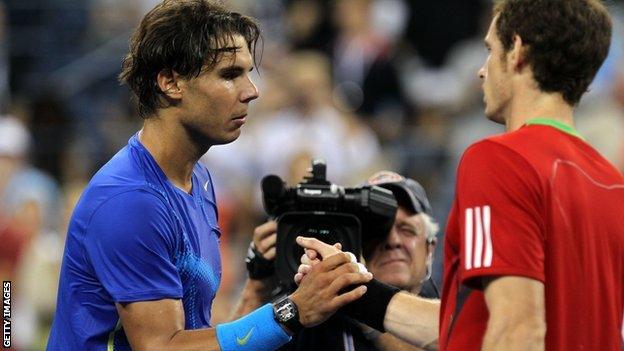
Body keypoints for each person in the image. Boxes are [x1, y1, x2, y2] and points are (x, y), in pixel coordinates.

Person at [296, 0, 624, 350]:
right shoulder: (612, 182)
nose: (481, 71)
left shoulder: (499, 159)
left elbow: (517, 331)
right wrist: (357, 288)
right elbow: (471, 327)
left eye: (489, 50)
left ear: (516, 51)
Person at [46, 1, 372, 350]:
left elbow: (197, 338)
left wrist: (255, 290)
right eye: (230, 75)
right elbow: (162, 347)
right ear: (171, 82)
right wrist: (293, 311)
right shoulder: (131, 200)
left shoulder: (198, 179)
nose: (252, 90)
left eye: (248, 73)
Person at [239, 170, 439, 351]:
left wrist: (362, 298)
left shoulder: (445, 311)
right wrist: (256, 289)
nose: (393, 241)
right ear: (356, 241)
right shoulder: (316, 310)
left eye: (407, 230)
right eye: (379, 231)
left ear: (430, 249)